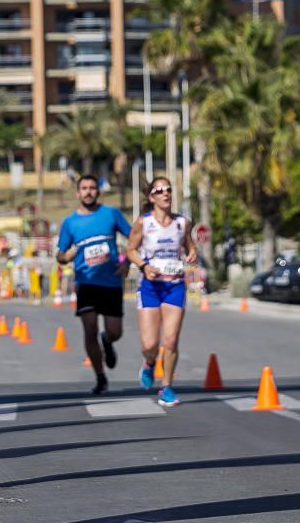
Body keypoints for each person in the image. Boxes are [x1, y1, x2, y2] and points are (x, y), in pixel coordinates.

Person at [56, 174, 131, 394]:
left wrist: (126, 262)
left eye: (92, 188)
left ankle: (107, 341)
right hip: (86, 282)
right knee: (89, 327)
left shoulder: (111, 214)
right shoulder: (70, 222)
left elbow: (134, 238)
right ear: (77, 193)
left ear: (98, 191)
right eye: (84, 188)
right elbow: (59, 255)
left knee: (115, 331)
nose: (88, 192)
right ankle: (100, 377)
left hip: (111, 282)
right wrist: (66, 256)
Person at [126, 177, 197, 407]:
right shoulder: (143, 223)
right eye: (160, 190)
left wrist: (192, 253)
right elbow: (130, 250)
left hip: (174, 285)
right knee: (149, 345)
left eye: (168, 189)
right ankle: (148, 363)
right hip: (150, 287)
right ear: (151, 197)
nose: (165, 193)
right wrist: (144, 266)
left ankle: (166, 387)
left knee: (171, 340)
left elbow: (189, 245)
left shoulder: (182, 223)